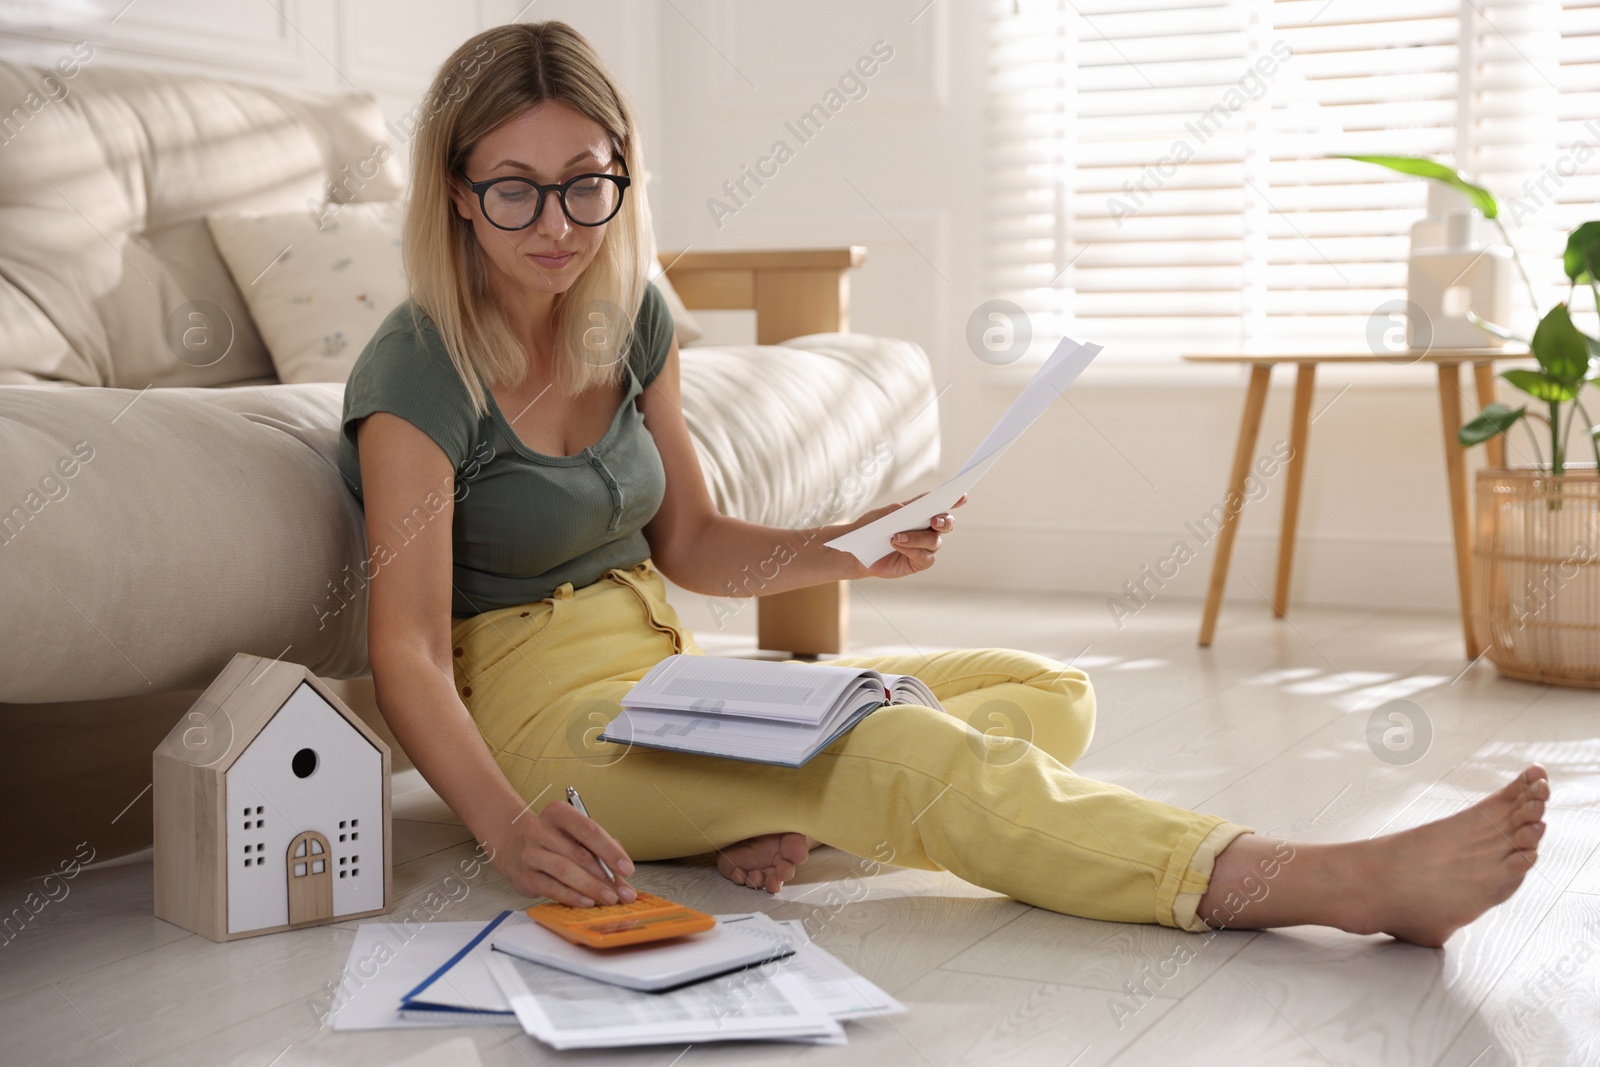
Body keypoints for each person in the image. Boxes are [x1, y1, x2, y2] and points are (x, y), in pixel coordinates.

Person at [338, 21, 1549, 948]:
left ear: (622, 176)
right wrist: (504, 825)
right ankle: (1309, 880)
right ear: (454, 189)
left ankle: (786, 807)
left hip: (664, 671)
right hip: (546, 717)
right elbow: (407, 651)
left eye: (586, 182)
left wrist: (846, 544)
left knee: (1040, 687)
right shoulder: (418, 365)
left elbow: (693, 541)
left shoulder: (632, 312)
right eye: (514, 187)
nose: (557, 224)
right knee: (896, 745)